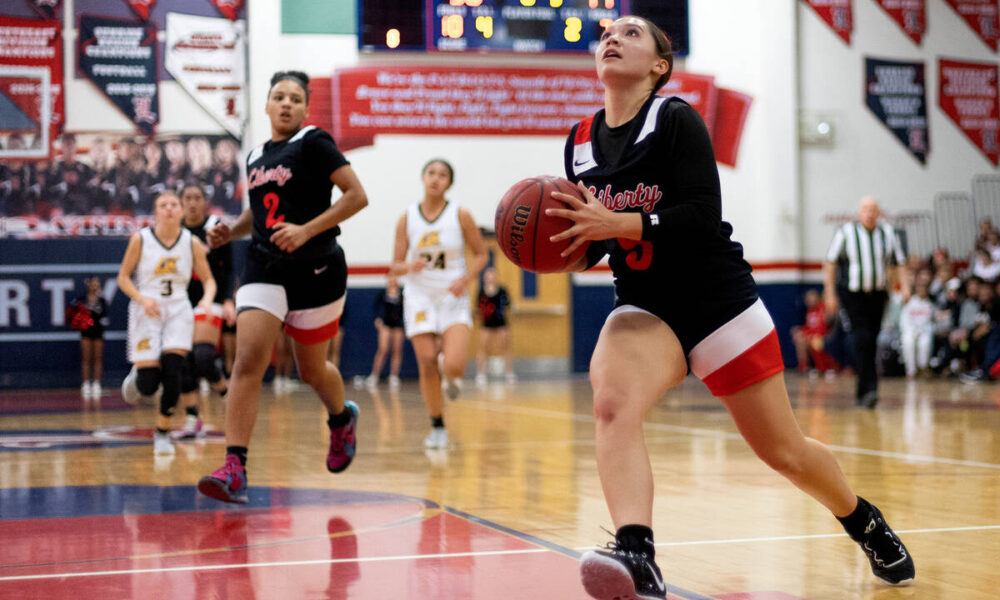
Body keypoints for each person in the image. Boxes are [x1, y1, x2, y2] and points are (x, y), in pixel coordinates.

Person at [544, 17, 914, 600]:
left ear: (660, 65)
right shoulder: (579, 143)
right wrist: (567, 248)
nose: (612, 37)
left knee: (784, 453)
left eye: (631, 33)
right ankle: (638, 556)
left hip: (719, 301)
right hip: (646, 307)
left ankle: (862, 519)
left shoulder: (675, 117)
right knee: (612, 402)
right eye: (607, 33)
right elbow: (599, 244)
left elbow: (698, 214)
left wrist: (617, 223)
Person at [197, 70, 369, 504]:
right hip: (265, 264)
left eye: (295, 97)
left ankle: (340, 417)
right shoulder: (256, 156)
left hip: (317, 267)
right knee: (249, 359)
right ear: (268, 105)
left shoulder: (314, 141)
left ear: (306, 108)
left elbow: (356, 196)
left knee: (311, 369)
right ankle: (235, 466)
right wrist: (229, 232)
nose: (287, 103)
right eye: (279, 96)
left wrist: (306, 230)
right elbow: (257, 215)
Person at [389, 159, 488, 450]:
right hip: (419, 295)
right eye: (431, 173)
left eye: (442, 175)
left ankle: (451, 374)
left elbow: (481, 255)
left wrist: (466, 279)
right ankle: (437, 425)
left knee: (455, 365)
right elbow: (395, 266)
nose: (436, 179)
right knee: (427, 359)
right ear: (423, 178)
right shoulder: (407, 217)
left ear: (449, 183)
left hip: (451, 294)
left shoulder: (460, 214)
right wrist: (409, 265)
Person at [117, 191, 217, 456]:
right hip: (147, 308)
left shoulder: (191, 242)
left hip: (178, 309)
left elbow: (209, 280)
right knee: (150, 385)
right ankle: (139, 377)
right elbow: (123, 278)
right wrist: (141, 298)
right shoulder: (141, 239)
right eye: (164, 205)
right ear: (156, 211)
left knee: (174, 371)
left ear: (182, 211)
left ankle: (162, 433)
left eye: (174, 204)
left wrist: (206, 301)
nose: (170, 209)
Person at [824, 196, 909, 408]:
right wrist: (829, 294)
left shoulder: (888, 233)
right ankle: (870, 389)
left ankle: (865, 392)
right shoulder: (846, 232)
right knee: (861, 338)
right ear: (859, 212)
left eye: (873, 210)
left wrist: (905, 287)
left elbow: (899, 263)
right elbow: (830, 263)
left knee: (872, 340)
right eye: (866, 209)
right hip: (853, 295)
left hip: (878, 294)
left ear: (878, 213)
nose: (870, 213)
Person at [176, 183, 234, 438]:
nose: (192, 202)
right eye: (187, 198)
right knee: (184, 362)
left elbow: (229, 267)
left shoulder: (215, 228)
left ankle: (227, 393)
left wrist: (229, 299)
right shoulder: (174, 231)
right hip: (180, 303)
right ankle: (191, 418)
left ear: (204, 202)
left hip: (211, 300)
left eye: (197, 197)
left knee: (203, 356)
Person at [475, 266, 516, 386]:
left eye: (492, 275)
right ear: (484, 278)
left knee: (505, 348)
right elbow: (478, 307)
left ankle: (509, 373)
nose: (490, 278)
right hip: (486, 324)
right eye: (488, 275)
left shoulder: (502, 290)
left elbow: (508, 305)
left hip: (501, 323)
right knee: (483, 348)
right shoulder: (481, 291)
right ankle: (481, 374)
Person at [69, 276, 109, 400]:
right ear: (89, 284)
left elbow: (104, 315)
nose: (96, 286)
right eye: (94, 283)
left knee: (98, 358)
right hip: (85, 331)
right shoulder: (82, 299)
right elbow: (73, 309)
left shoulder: (102, 300)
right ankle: (86, 384)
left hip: (98, 331)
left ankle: (96, 384)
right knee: (86, 358)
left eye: (98, 284)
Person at [364, 274, 405, 389]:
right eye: (390, 278)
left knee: (397, 350)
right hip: (386, 324)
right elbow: (376, 308)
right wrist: (378, 319)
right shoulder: (383, 294)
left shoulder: (402, 294)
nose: (392, 280)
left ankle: (394, 376)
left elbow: (406, 309)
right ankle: (374, 375)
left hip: (398, 325)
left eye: (395, 278)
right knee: (383, 349)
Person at [790, 288, 837, 376]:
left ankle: (824, 368)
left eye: (811, 297)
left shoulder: (822, 308)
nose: (809, 300)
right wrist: (801, 331)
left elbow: (822, 327)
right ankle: (803, 367)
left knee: (815, 342)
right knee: (799, 338)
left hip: (822, 336)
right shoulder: (810, 311)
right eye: (807, 298)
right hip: (812, 336)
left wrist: (810, 335)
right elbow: (809, 327)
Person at [900, 280, 934, 379]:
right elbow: (904, 320)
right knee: (908, 341)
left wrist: (922, 331)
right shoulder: (909, 303)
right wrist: (913, 331)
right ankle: (910, 371)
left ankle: (922, 368)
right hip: (910, 331)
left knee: (925, 343)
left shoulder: (929, 304)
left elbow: (931, 322)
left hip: (924, 332)